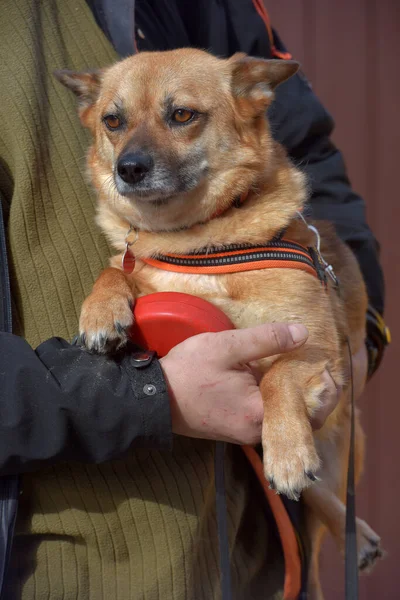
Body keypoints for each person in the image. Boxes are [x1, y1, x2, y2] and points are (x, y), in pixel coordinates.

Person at [0, 0, 389, 598]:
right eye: (115, 124)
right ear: (91, 115)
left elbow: (317, 158)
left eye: (180, 116)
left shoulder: (212, 7)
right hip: (61, 553)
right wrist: (152, 394)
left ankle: (328, 513)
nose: (134, 154)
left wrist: (365, 323)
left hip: (250, 547)